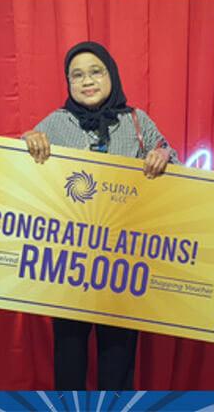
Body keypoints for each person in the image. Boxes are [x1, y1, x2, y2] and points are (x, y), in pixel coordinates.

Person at [22, 41, 181, 390]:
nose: (87, 81)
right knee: (68, 364)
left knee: (118, 368)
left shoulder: (137, 121)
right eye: (77, 75)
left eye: (96, 72)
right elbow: (21, 168)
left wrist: (165, 157)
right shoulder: (56, 123)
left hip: (122, 267)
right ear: (68, 83)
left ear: (112, 75)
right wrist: (29, 141)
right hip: (68, 267)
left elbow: (177, 167)